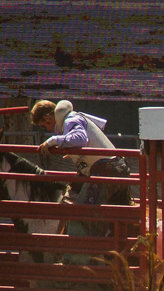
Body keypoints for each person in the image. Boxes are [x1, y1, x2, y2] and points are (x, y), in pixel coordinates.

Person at [32, 98, 131, 241]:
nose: (47, 129)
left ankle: (85, 250)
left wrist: (53, 140)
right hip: (113, 169)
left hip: (105, 171)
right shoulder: (73, 118)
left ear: (48, 118)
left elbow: (80, 138)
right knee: (69, 198)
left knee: (81, 212)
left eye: (44, 125)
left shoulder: (70, 119)